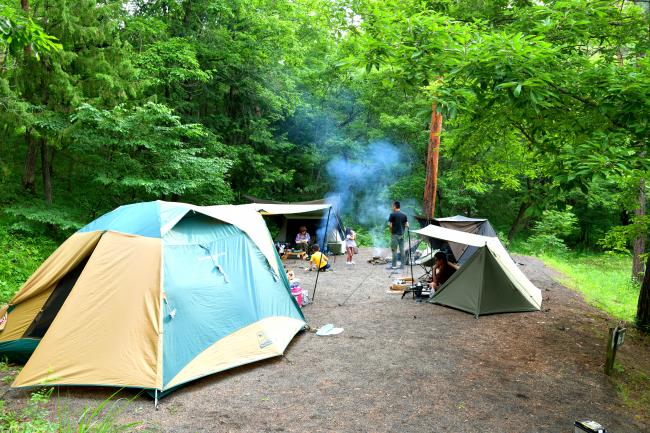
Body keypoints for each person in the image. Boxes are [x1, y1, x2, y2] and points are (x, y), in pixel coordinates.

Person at [388, 201, 408, 269]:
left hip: (395, 235)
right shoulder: (404, 215)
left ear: (394, 206)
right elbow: (407, 225)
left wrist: (391, 232)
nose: (392, 207)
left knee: (394, 250)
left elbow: (390, 225)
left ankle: (394, 265)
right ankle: (402, 265)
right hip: (402, 235)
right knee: (402, 250)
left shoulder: (392, 214)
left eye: (392, 206)